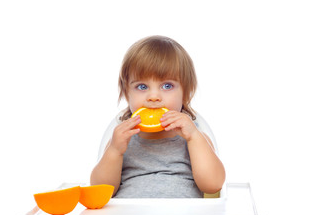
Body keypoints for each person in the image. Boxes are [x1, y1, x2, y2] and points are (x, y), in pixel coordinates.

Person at [90, 35, 225, 198]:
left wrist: (194, 137)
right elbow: (101, 191)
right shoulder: (120, 140)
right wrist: (114, 152)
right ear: (127, 93)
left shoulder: (195, 138)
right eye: (141, 86)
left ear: (186, 93)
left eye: (167, 86)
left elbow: (213, 185)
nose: (153, 96)